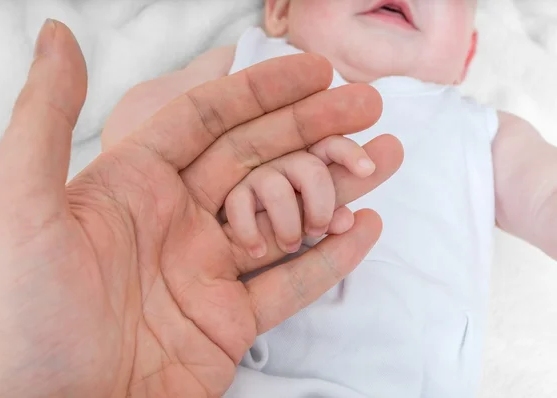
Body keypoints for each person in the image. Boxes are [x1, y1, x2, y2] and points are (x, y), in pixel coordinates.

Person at [101, 1, 557, 397]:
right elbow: (144, 143)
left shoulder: (480, 128)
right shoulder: (250, 64)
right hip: (202, 358)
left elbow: (544, 194)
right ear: (281, 9)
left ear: (466, 56)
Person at [0, 20, 403, 398]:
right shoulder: (257, 56)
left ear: (471, 52)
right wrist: (201, 196)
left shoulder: (470, 117)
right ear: (281, 12)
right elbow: (146, 130)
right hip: (217, 341)